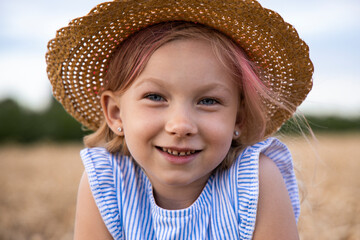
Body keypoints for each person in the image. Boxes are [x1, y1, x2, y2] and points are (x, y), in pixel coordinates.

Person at [46, 0, 313, 239]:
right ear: (116, 113)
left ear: (238, 119)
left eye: (208, 101)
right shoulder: (107, 184)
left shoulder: (255, 181)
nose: (181, 125)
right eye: (155, 97)